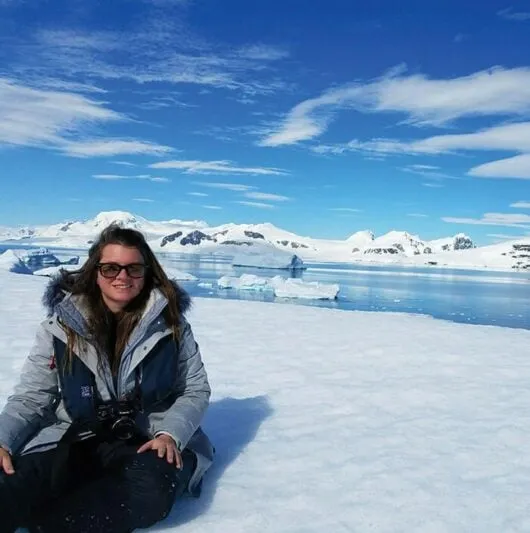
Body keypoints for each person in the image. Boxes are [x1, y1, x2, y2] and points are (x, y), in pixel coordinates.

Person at [0, 224, 214, 533]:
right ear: (95, 272)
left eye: (134, 268)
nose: (122, 277)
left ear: (147, 273)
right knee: (10, 483)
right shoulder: (60, 327)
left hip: (148, 436)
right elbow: (32, 396)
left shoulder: (172, 326)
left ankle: (51, 524)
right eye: (111, 268)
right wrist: (3, 439)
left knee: (151, 491)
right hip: (74, 434)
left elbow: (194, 389)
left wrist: (170, 434)